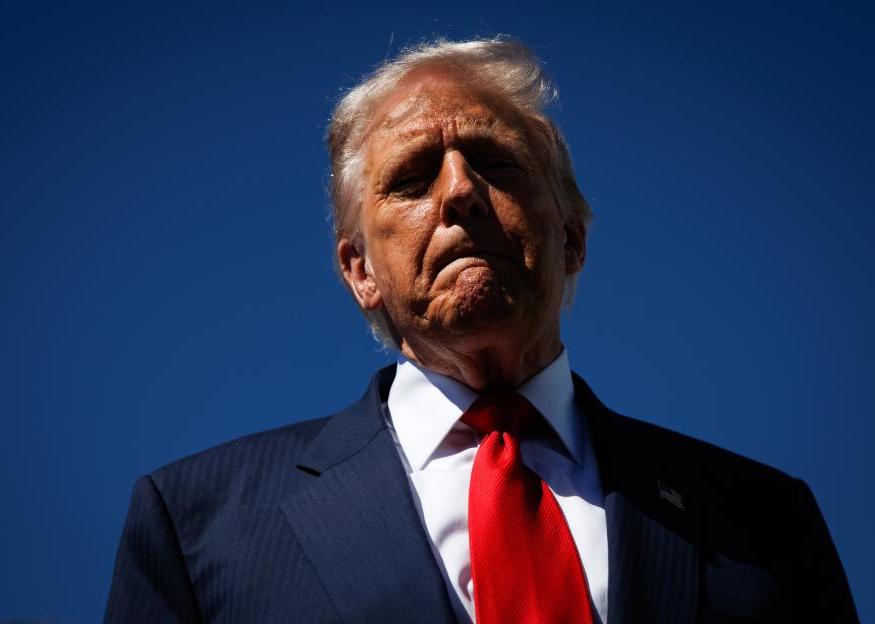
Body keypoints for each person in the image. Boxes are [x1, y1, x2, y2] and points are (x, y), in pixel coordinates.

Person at [104, 37, 858, 623]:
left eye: (496, 164)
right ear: (358, 269)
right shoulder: (198, 523)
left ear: (571, 239)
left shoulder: (759, 519)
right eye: (412, 177)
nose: (460, 190)